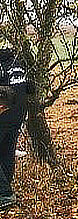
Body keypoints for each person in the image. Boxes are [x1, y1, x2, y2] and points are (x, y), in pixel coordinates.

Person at [0, 48, 33, 210]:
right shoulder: (18, 62)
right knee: (7, 150)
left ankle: (4, 193)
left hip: (3, 112)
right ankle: (6, 190)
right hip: (18, 113)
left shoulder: (1, 65)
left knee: (5, 150)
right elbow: (30, 88)